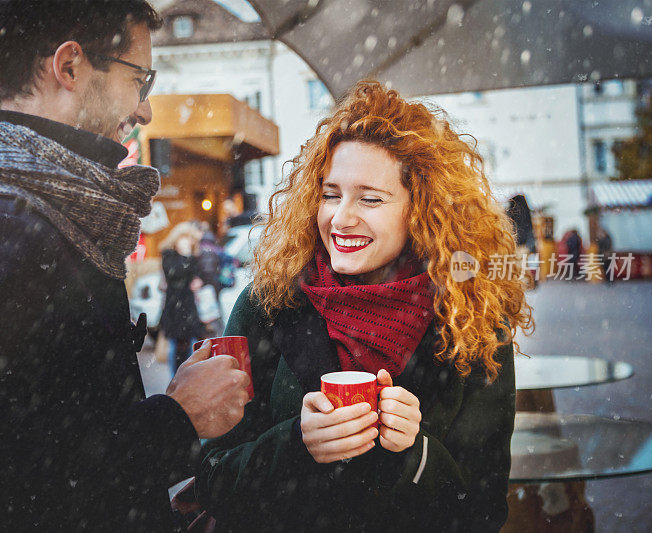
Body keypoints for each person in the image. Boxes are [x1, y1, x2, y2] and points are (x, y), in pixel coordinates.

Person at [0, 1, 249, 530]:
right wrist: (178, 418)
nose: (144, 110)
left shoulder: (34, 209)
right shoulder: (1, 228)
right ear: (70, 66)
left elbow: (57, 430)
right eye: (140, 80)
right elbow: (8, 482)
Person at [195, 81, 533, 531]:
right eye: (331, 194)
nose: (340, 217)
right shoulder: (268, 303)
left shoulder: (474, 321)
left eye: (370, 198)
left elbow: (483, 511)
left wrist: (416, 453)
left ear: (422, 210)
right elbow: (213, 479)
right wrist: (297, 444)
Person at [159, 222, 207, 372]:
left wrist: (199, 281)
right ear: (177, 238)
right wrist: (186, 257)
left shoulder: (192, 257)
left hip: (189, 306)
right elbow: (175, 273)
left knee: (190, 345)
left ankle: (189, 378)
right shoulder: (169, 255)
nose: (188, 241)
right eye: (185, 237)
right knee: (176, 346)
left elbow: (199, 274)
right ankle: (176, 382)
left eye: (190, 238)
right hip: (175, 307)